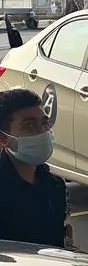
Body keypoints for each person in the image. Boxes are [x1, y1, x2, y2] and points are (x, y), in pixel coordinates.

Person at [0, 89, 73, 248]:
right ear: (3, 138)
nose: (43, 132)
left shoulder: (56, 186)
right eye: (30, 126)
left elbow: (60, 244)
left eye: (45, 123)